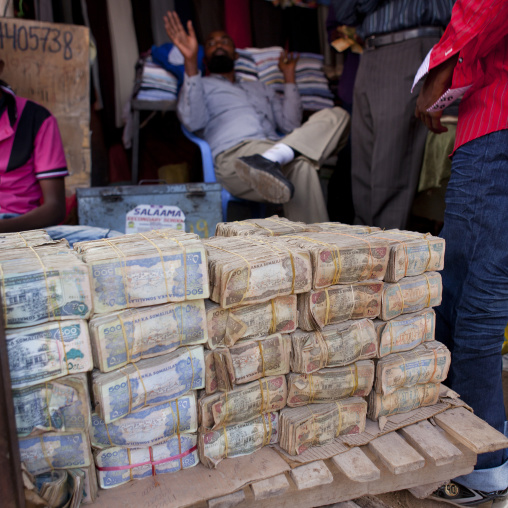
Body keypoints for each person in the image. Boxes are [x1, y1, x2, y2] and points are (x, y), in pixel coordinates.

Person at [414, 0, 508, 504]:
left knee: (472, 304)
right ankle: (486, 446)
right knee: (477, 297)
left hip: (498, 129)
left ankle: (479, 466)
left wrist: (442, 69)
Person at [164, 11, 350, 224]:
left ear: (235, 55)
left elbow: (290, 125)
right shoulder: (199, 85)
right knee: (303, 166)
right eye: (211, 43)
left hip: (275, 150)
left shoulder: (260, 87)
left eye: (224, 41)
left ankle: (273, 157)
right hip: (236, 157)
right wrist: (190, 63)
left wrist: (289, 77)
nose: (218, 45)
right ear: (205, 57)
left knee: (338, 115)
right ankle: (320, 249)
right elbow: (193, 121)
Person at [331, 0, 454, 229]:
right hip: (369, 54)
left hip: (411, 44)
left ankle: (385, 258)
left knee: (389, 177)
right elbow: (345, 12)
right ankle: (366, 257)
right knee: (362, 181)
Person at [0, 62, 120, 246]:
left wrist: (4, 228)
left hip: (23, 230)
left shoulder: (36, 118)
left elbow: (55, 208)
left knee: (113, 240)